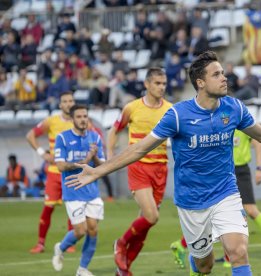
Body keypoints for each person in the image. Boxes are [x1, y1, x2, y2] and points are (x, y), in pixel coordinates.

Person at [65, 51, 261, 276]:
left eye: (223, 73)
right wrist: (98, 170)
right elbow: (140, 148)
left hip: (226, 193)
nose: (224, 78)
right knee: (204, 264)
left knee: (238, 250)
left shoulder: (234, 108)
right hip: (191, 202)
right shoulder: (178, 115)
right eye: (217, 74)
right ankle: (197, 263)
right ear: (201, 82)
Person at [170, 130, 261, 269]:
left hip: (240, 170)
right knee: (219, 212)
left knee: (249, 210)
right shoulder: (218, 120)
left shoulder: (240, 118)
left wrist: (259, 168)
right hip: (221, 170)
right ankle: (216, 255)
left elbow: (258, 141)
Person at [107, 68, 172, 275]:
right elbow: (114, 130)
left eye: (163, 84)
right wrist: (110, 154)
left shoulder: (171, 110)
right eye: (157, 83)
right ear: (147, 84)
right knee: (152, 216)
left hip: (161, 169)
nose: (161, 87)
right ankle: (120, 243)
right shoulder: (132, 108)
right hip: (139, 167)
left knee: (144, 225)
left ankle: (124, 270)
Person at [52, 105, 105, 276]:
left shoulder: (95, 137)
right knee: (80, 230)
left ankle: (82, 269)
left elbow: (102, 167)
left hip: (92, 192)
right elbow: (60, 166)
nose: (83, 119)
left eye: (85, 116)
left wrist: (95, 156)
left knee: (93, 230)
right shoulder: (63, 138)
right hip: (73, 190)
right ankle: (60, 248)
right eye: (79, 116)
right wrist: (85, 159)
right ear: (72, 119)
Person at [26, 91, 76, 254]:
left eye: (71, 101)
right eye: (65, 101)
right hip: (55, 173)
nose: (68, 104)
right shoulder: (52, 121)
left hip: (71, 173)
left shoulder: (80, 121)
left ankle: (70, 243)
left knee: (72, 208)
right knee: (48, 208)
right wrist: (42, 153)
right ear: (60, 105)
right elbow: (30, 135)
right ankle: (40, 244)